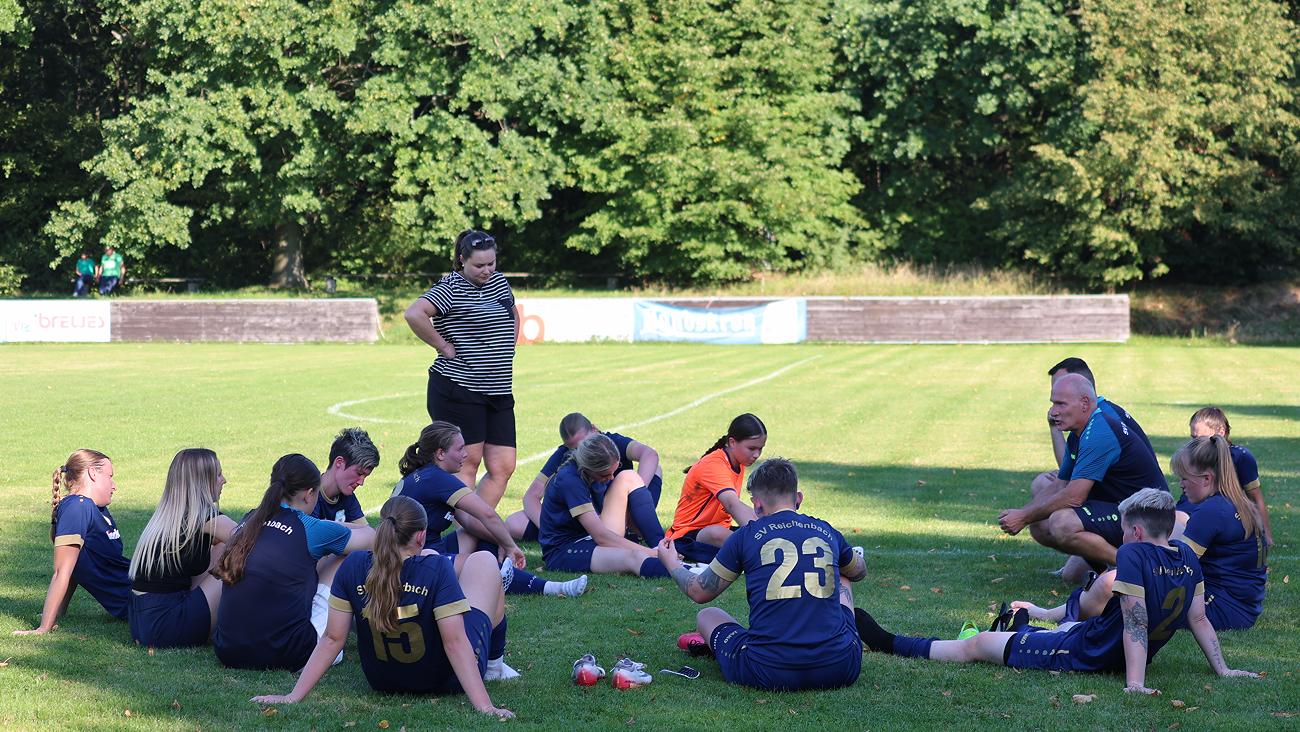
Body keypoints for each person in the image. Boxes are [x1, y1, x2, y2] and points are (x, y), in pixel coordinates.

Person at [858, 489, 1259, 695]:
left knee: (977, 645)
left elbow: (1136, 623)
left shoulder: (1134, 553)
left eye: (1122, 530)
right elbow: (1198, 618)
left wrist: (1135, 684)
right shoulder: (1187, 555)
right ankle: (1021, 623)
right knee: (1063, 627)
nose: (1120, 537)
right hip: (1096, 638)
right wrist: (1222, 669)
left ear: (1136, 531)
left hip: (1090, 653)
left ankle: (890, 642)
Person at [250, 496, 515, 717]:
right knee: (484, 560)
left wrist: (293, 695)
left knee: (431, 560)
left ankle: (494, 666)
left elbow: (332, 639)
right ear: (421, 535)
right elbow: (455, 643)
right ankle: (494, 667)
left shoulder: (353, 565)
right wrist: (485, 707)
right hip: (443, 679)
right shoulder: (436, 569)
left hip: (382, 679)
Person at [658, 458, 868, 691]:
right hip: (840, 668)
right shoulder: (826, 530)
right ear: (798, 498)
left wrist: (672, 563)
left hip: (767, 671)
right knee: (843, 574)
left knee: (708, 615)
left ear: (757, 505)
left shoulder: (745, 536)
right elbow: (858, 571)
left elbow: (699, 591)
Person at [1019, 437, 1269, 632]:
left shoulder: (1212, 511)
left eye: (1184, 478)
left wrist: (1134, 565)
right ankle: (1064, 612)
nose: (1181, 484)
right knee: (1135, 565)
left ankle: (1052, 615)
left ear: (1206, 478)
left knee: (1112, 582)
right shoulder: (1236, 503)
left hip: (1221, 610)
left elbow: (1176, 569)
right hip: (1240, 607)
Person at [393, 421, 587, 599]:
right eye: (460, 449)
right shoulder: (438, 478)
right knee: (482, 564)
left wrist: (500, 540)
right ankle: (553, 587)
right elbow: (487, 513)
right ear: (440, 454)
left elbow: (470, 522)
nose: (465, 454)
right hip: (415, 562)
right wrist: (511, 546)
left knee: (482, 534)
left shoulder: (422, 475)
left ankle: (499, 574)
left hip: (413, 553)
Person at [211, 454, 370, 670]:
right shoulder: (311, 528)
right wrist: (332, 525)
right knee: (344, 557)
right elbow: (371, 538)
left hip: (228, 650)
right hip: (287, 655)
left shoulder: (250, 519)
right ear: (309, 494)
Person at [999, 374, 1167, 574]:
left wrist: (1024, 517)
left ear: (1085, 403)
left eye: (1061, 404)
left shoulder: (1099, 433)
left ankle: (1134, 569)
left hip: (1146, 516)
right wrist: (1021, 514)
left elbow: (1074, 496)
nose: (1053, 412)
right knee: (1041, 526)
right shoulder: (1080, 432)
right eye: (1053, 404)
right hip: (1120, 507)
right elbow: (1061, 484)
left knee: (1062, 523)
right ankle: (1107, 571)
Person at [404, 229, 519, 509]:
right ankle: (463, 531)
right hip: (460, 388)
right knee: (467, 464)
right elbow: (414, 313)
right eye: (479, 265)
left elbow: (512, 313)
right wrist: (443, 346)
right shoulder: (451, 287)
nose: (487, 270)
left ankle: (473, 528)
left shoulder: (499, 282)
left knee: (504, 465)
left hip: (498, 389)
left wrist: (508, 345)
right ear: (462, 260)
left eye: (491, 263)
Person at [129, 448, 238, 648]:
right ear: (203, 482)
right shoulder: (204, 516)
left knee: (222, 546)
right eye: (219, 474)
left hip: (144, 624)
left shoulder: (169, 516)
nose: (224, 480)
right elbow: (249, 541)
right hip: (166, 625)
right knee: (237, 555)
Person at [13, 449, 130, 635]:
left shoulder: (96, 508)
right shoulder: (77, 508)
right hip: (144, 599)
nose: (114, 486)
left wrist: (59, 611)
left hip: (144, 586)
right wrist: (44, 627)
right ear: (93, 473)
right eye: (110, 477)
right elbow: (63, 571)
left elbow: (76, 566)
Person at [507, 412, 663, 542]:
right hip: (584, 517)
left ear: (594, 429)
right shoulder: (568, 459)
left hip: (619, 510)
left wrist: (638, 493)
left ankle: (633, 525)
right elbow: (531, 496)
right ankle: (598, 534)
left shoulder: (611, 444)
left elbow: (649, 454)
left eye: (584, 443)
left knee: (655, 469)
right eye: (574, 448)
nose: (581, 450)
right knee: (514, 523)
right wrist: (548, 529)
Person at [539, 433, 670, 578]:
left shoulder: (589, 472)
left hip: (590, 536)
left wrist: (657, 550)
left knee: (629, 476)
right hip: (563, 550)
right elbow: (601, 536)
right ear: (589, 469)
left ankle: (663, 547)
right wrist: (652, 554)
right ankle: (675, 566)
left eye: (613, 471)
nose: (611, 478)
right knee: (634, 557)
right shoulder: (570, 480)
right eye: (605, 475)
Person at [665, 414, 767, 563]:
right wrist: (762, 533)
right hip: (685, 537)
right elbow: (731, 504)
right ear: (732, 442)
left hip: (720, 530)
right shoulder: (713, 464)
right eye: (751, 448)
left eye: (760, 449)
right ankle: (758, 553)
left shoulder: (738, 462)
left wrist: (769, 524)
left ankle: (755, 550)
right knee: (720, 534)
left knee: (755, 526)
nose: (756, 454)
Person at [1185, 407, 1272, 547]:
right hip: (1191, 512)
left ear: (1221, 431)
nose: (1195, 443)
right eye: (1193, 438)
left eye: (1200, 438)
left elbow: (1256, 497)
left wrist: (1266, 535)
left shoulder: (1240, 457)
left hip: (1215, 518)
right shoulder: (1191, 455)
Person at [310, 427, 379, 528]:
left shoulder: (347, 497)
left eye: (365, 476)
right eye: (359, 473)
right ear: (339, 462)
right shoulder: (309, 494)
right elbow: (310, 531)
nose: (361, 482)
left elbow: (367, 531)